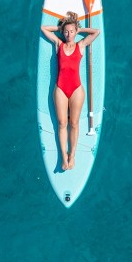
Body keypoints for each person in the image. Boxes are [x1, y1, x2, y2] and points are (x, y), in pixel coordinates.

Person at [41, 11, 100, 170]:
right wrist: (60, 27)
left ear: (75, 32)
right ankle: (64, 157)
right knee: (62, 123)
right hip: (60, 88)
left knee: (73, 123)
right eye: (66, 32)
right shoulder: (58, 44)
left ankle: (72, 155)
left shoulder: (80, 46)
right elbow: (44, 28)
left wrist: (79, 29)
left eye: (71, 31)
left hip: (76, 90)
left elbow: (96, 32)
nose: (68, 34)